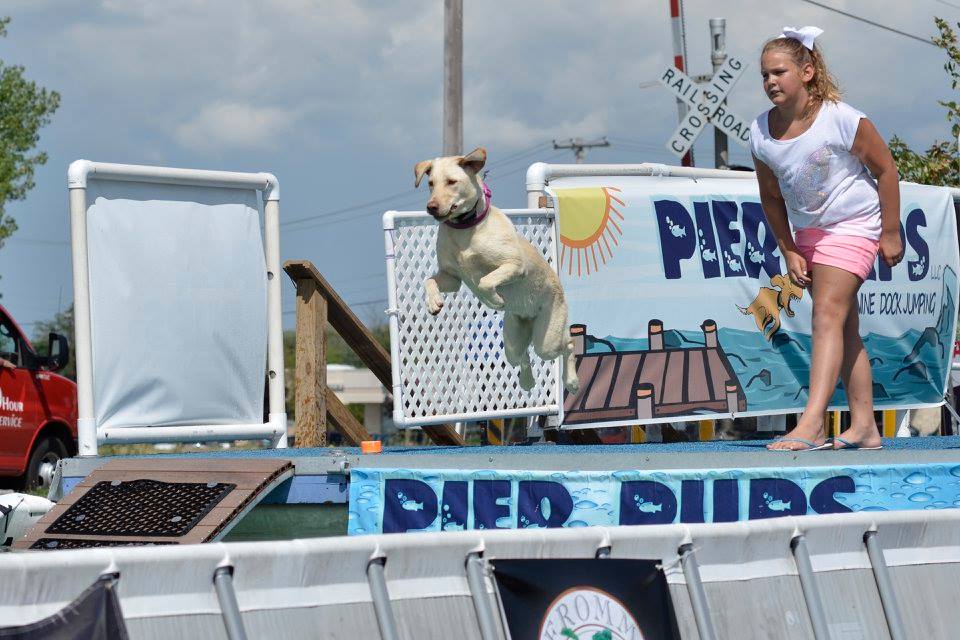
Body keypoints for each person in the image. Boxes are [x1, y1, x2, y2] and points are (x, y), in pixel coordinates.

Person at [750, 26, 904, 451]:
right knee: (845, 327)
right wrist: (788, 247)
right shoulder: (760, 133)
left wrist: (890, 231)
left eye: (779, 72)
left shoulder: (842, 118)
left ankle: (813, 422)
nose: (770, 82)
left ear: (807, 71)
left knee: (825, 315)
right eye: (764, 75)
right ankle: (865, 427)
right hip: (808, 233)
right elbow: (770, 196)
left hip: (855, 223)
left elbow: (885, 169)